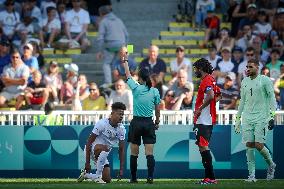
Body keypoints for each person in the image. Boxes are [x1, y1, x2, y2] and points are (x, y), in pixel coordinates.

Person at [122, 46, 161, 184]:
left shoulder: (136, 88)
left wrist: (125, 60)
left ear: (139, 77)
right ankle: (150, 177)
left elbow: (127, 75)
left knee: (134, 153)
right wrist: (157, 122)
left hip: (136, 123)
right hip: (149, 123)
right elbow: (157, 109)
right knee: (149, 153)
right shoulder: (155, 91)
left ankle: (133, 178)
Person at [234, 58, 277, 182]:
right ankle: (252, 176)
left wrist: (272, 115)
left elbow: (272, 98)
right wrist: (237, 119)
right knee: (249, 145)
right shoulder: (244, 81)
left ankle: (271, 165)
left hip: (261, 117)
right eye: (247, 67)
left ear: (258, 68)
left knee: (258, 145)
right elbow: (242, 101)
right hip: (247, 117)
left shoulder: (265, 80)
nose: (248, 69)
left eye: (250, 67)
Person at [77, 102, 126, 183]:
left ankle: (86, 175)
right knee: (106, 147)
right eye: (119, 114)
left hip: (103, 153)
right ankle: (98, 176)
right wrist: (87, 162)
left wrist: (121, 168)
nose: (121, 116)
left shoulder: (122, 129)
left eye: (122, 115)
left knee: (107, 180)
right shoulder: (102, 123)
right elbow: (89, 142)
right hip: (92, 149)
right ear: (112, 113)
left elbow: (121, 149)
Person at [193, 58, 221, 184]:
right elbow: (218, 95)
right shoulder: (211, 79)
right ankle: (209, 177)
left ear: (201, 68)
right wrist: (211, 104)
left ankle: (211, 178)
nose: (195, 71)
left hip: (204, 120)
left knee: (203, 147)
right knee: (202, 147)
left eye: (196, 69)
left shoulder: (206, 80)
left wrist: (200, 108)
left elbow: (210, 96)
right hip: (206, 119)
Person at [96, 5, 128, 86]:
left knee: (106, 63)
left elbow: (100, 38)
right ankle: (125, 82)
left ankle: (108, 83)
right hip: (122, 45)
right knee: (118, 63)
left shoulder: (104, 21)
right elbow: (127, 35)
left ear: (101, 13)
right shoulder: (119, 20)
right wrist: (128, 49)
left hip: (111, 46)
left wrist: (100, 51)